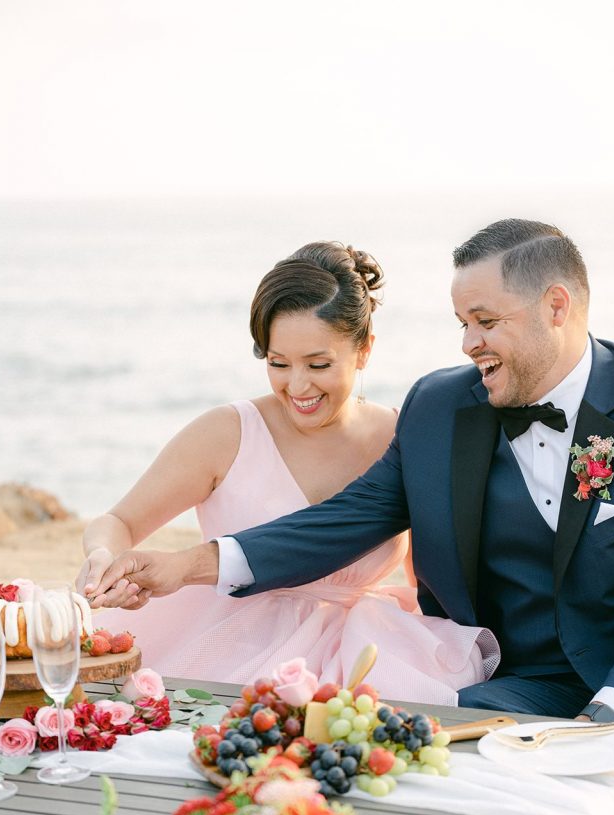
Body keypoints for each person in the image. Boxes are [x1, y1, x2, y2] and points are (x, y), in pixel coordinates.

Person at [92, 219, 614, 727]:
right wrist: (186, 566)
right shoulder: (439, 408)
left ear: (556, 307)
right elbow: (344, 520)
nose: (468, 345)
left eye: (485, 322)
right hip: (493, 684)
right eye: (462, 323)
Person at [79, 241, 498, 700]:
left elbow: (430, 579)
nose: (297, 386)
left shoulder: (404, 435)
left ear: (364, 350)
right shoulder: (227, 432)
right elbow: (118, 522)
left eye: (319, 365)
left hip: (362, 651)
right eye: (278, 364)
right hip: (228, 644)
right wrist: (102, 558)